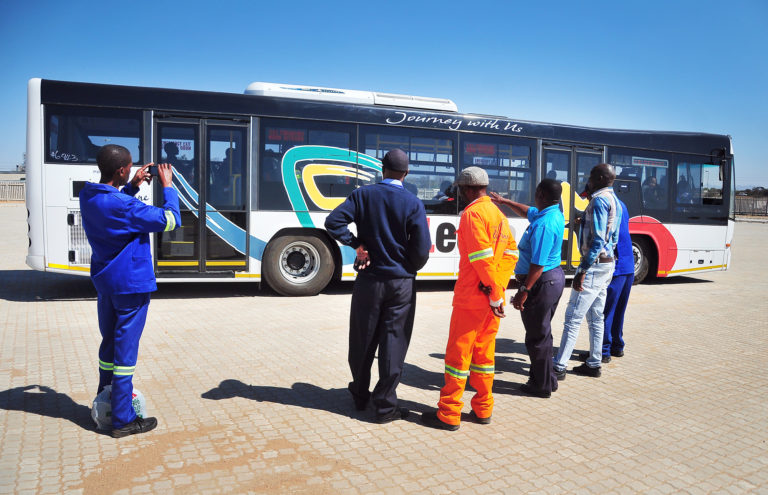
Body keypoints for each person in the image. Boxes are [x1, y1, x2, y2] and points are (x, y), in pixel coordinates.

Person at [79, 144, 181, 438]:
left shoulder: (90, 196)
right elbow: (170, 220)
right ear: (121, 170)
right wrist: (167, 186)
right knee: (125, 355)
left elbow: (115, 210)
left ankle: (105, 397)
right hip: (130, 287)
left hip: (107, 285)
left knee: (109, 346)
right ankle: (122, 419)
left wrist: (133, 186)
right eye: (130, 167)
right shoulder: (124, 207)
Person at [324, 148, 431, 424]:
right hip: (401, 284)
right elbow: (420, 251)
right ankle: (385, 408)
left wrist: (357, 244)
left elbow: (333, 222)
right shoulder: (413, 203)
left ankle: (360, 395)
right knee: (393, 341)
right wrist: (408, 268)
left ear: (382, 169)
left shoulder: (363, 195)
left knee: (363, 339)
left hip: (368, 282)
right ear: (406, 174)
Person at [422, 167, 518, 431]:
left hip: (472, 299)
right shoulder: (498, 214)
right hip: (490, 300)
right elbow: (511, 253)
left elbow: (480, 257)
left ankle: (449, 414)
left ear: (466, 189)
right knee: (484, 356)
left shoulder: (473, 214)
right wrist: (498, 289)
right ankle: (483, 409)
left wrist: (494, 291)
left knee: (458, 356)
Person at [490, 179, 565, 398]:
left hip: (542, 282)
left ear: (540, 194)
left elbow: (538, 263)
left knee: (536, 336)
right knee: (543, 333)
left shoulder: (544, 224)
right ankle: (548, 379)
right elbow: (528, 212)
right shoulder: (551, 212)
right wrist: (505, 201)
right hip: (551, 279)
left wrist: (524, 291)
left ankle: (540, 386)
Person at [553, 163, 622, 379]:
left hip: (594, 266)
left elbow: (599, 239)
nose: (588, 180)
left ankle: (559, 366)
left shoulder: (599, 200)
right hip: (607, 264)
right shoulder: (615, 200)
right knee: (596, 317)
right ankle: (593, 363)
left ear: (600, 178)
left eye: (591, 176)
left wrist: (582, 269)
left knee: (573, 317)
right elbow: (612, 236)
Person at [601, 197, 634, 361]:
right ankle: (616, 346)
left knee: (605, 311)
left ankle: (603, 351)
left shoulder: (603, 203)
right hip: (628, 264)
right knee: (618, 310)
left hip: (616, 266)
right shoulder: (621, 203)